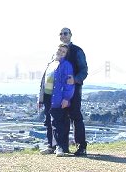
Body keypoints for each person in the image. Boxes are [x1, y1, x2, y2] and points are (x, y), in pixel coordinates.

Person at [38, 44, 74, 156]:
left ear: (66, 54)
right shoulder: (50, 64)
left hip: (58, 99)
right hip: (48, 97)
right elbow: (43, 83)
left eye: (63, 51)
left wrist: (66, 98)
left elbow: (69, 84)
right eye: (59, 50)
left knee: (58, 123)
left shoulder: (66, 65)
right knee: (48, 122)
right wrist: (40, 99)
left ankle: (60, 147)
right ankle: (51, 146)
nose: (60, 52)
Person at [60, 27, 88, 156]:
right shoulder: (58, 52)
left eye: (65, 33)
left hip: (75, 90)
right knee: (63, 118)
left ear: (71, 35)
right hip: (60, 92)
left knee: (76, 117)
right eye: (61, 34)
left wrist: (75, 79)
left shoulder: (77, 51)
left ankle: (81, 147)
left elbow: (84, 70)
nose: (63, 35)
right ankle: (63, 147)